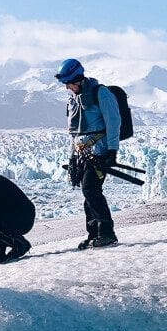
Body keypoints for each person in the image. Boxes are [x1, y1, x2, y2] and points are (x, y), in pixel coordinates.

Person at [54, 58, 120, 249]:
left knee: (91, 190)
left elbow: (113, 122)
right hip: (81, 154)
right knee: (88, 194)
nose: (67, 88)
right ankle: (93, 234)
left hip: (99, 152)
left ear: (78, 79)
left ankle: (107, 233)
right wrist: (72, 156)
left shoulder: (102, 94)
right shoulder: (74, 98)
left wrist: (112, 151)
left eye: (69, 84)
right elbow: (74, 132)